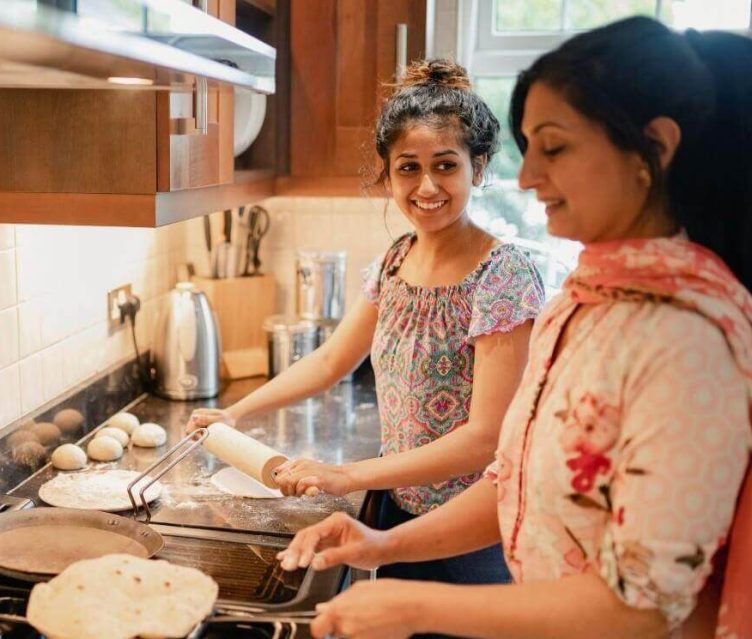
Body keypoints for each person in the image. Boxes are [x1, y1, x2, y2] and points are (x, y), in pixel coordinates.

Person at [276, 16, 752, 639]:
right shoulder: (586, 301)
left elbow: (642, 607)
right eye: (528, 150)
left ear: (653, 150)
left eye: (553, 148)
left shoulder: (688, 339)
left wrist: (415, 608)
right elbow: (513, 480)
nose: (527, 178)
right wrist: (380, 545)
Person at [189, 60, 545, 588]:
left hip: (473, 528)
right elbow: (333, 359)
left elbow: (485, 437)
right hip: (396, 504)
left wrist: (348, 474)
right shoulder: (395, 261)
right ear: (387, 173)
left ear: (480, 167)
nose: (427, 185)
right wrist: (235, 412)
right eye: (408, 167)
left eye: (446, 166)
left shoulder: (503, 277)